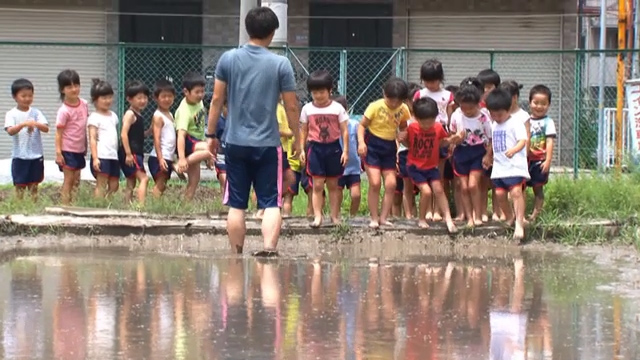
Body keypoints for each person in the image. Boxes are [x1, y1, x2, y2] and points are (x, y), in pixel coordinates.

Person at [206, 6, 301, 257]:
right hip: (268, 144)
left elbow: (216, 100)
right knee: (271, 202)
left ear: (248, 30)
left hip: (235, 143)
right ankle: (268, 250)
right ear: (272, 33)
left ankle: (237, 254)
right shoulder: (281, 64)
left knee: (237, 204)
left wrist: (210, 135)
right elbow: (291, 105)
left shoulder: (228, 59)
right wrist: (298, 139)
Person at [358, 77, 410, 229]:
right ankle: (373, 217)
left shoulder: (403, 109)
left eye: (398, 101)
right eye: (390, 100)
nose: (394, 104)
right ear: (384, 94)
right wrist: (361, 143)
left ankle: (383, 217)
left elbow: (403, 126)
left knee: (391, 184)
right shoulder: (375, 107)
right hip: (373, 145)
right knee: (374, 183)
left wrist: (402, 135)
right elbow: (362, 126)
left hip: (390, 147)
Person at [299, 70, 349, 227]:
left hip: (333, 148)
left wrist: (346, 151)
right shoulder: (307, 109)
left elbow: (344, 131)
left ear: (330, 90)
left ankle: (334, 217)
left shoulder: (337, 108)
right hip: (315, 148)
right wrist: (301, 149)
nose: (318, 96)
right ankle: (318, 216)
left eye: (321, 92)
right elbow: (304, 130)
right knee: (317, 184)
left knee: (333, 185)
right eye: (315, 93)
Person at [403, 97, 457, 233]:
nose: (427, 126)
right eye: (424, 123)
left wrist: (453, 140)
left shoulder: (438, 127)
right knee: (426, 191)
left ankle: (448, 219)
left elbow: (442, 142)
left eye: (430, 122)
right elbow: (407, 143)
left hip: (432, 166)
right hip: (415, 167)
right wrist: (401, 139)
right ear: (416, 118)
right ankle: (421, 218)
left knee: (439, 189)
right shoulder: (412, 128)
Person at [484, 88, 530, 240]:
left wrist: (514, 150)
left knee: (516, 192)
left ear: (508, 109)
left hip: (515, 166)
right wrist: (488, 156)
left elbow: (523, 140)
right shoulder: (495, 125)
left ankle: (519, 223)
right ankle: (509, 217)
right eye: (493, 114)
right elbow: (493, 143)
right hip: (500, 167)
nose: (496, 117)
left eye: (500, 114)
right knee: (499, 194)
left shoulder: (516, 123)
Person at [413, 59, 455, 221]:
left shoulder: (447, 96)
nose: (430, 84)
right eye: (427, 81)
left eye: (434, 80)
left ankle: (438, 210)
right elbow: (415, 117)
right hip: (423, 137)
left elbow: (451, 119)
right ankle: (428, 209)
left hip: (441, 134)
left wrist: (450, 140)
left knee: (439, 174)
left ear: (441, 78)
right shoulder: (420, 94)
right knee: (425, 174)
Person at [450, 78, 493, 228]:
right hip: (461, 152)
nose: (467, 111)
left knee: (473, 184)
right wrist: (456, 138)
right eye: (464, 108)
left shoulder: (483, 117)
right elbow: (452, 134)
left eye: (470, 108)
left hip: (478, 152)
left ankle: (477, 214)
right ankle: (469, 217)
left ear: (478, 104)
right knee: (463, 186)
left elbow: (490, 138)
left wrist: (488, 155)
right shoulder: (456, 115)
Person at [4, 78, 49, 200]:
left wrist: (34, 123)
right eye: (23, 96)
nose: (27, 99)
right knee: (20, 184)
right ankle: (20, 205)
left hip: (36, 155)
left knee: (34, 184)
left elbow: (46, 128)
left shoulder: (36, 112)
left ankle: (33, 204)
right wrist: (23, 124)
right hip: (20, 155)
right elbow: (10, 131)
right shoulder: (11, 114)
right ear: (15, 96)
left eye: (30, 95)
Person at [175, 72, 215, 201]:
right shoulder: (184, 110)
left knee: (194, 180)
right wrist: (181, 159)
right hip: (187, 141)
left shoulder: (199, 103)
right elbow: (180, 136)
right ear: (186, 92)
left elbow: (200, 127)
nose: (200, 95)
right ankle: (178, 165)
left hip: (197, 141)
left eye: (202, 91)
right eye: (197, 92)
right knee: (209, 148)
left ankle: (185, 205)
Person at [55, 69, 89, 205]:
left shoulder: (85, 104)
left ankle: (74, 204)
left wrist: (86, 145)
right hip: (67, 150)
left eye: (76, 85)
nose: (74, 89)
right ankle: (65, 206)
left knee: (77, 179)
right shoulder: (63, 111)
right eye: (69, 87)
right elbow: (58, 133)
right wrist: (58, 153)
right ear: (62, 90)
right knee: (68, 180)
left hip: (79, 149)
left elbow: (84, 127)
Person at [526, 84, 556, 221]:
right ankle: (520, 214)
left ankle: (535, 216)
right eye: (536, 103)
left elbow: (550, 141)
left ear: (549, 104)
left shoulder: (548, 122)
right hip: (525, 160)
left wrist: (548, 160)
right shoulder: (525, 120)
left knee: (538, 189)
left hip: (539, 160)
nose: (539, 106)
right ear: (530, 102)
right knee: (520, 188)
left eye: (543, 103)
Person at [119, 80, 150, 205]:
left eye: (145, 97)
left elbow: (137, 135)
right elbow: (123, 134)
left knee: (131, 181)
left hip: (136, 152)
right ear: (129, 99)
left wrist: (150, 131)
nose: (143, 100)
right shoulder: (130, 114)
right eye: (139, 98)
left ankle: (127, 205)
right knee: (144, 178)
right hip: (131, 153)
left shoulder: (138, 115)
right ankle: (141, 207)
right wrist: (128, 154)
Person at [87, 79, 120, 198]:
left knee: (114, 185)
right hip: (102, 155)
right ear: (95, 100)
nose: (108, 101)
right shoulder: (94, 117)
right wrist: (95, 158)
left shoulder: (114, 116)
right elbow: (92, 138)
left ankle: (107, 203)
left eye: (110, 97)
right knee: (101, 183)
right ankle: (98, 205)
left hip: (113, 156)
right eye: (104, 98)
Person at [395, 82, 421, 220]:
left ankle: (419, 213)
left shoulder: (423, 117)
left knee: (423, 185)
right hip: (406, 153)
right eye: (413, 100)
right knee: (407, 187)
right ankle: (409, 216)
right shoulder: (403, 117)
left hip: (422, 154)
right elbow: (401, 137)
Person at [148, 79, 177, 198]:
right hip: (159, 156)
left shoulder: (170, 114)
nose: (167, 99)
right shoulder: (158, 116)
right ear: (156, 98)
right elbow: (156, 138)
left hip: (167, 156)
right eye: (163, 96)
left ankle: (156, 205)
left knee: (163, 184)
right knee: (160, 184)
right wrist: (160, 159)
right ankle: (152, 207)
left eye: (170, 96)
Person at [335, 95, 362, 217]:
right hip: (337, 166)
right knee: (337, 193)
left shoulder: (354, 124)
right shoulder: (332, 128)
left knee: (356, 195)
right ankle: (337, 215)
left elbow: (360, 140)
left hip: (353, 166)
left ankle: (353, 216)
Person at [214, 100, 228, 202]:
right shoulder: (219, 122)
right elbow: (214, 139)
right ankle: (224, 202)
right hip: (221, 156)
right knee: (224, 179)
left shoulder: (237, 121)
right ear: (223, 106)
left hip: (234, 156)